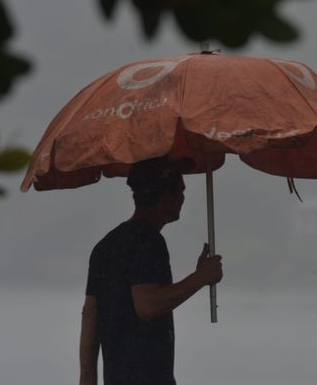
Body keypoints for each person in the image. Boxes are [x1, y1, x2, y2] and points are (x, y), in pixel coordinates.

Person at [79, 157, 223, 385]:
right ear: (165, 196)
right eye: (180, 191)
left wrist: (87, 378)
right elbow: (147, 305)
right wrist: (200, 278)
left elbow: (90, 313)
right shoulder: (149, 241)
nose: (183, 198)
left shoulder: (105, 246)